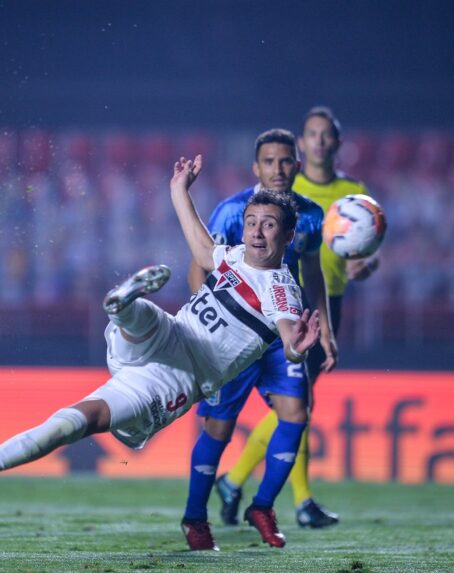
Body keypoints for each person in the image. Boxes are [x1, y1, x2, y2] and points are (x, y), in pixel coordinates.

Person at [0, 156, 322, 544]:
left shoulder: (282, 289)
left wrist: (297, 350)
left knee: (73, 422)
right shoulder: (236, 256)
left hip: (177, 378)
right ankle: (123, 306)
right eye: (251, 222)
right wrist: (180, 188)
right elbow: (202, 251)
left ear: (288, 236)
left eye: (268, 225)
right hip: (172, 334)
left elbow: (287, 334)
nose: (255, 231)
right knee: (143, 312)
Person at [216, 107, 379, 529]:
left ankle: (234, 482)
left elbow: (360, 250)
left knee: (298, 404)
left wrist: (365, 265)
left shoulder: (353, 191)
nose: (320, 141)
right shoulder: (286, 186)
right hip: (284, 307)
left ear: (337, 143)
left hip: (327, 300)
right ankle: (292, 498)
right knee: (296, 404)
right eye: (312, 134)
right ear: (301, 144)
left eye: (327, 134)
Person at [181, 129, 337, 550]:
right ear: (257, 167)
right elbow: (202, 263)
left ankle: (262, 505)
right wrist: (210, 322)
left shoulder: (310, 214)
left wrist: (326, 328)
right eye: (270, 161)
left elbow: (312, 270)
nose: (278, 169)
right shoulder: (234, 211)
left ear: (297, 166)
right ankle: (195, 518)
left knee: (296, 413)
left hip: (282, 326)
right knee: (219, 426)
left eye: (286, 161)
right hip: (236, 332)